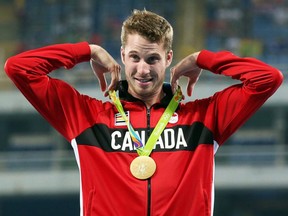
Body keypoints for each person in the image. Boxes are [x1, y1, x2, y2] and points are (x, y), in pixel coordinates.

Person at [4, 9, 283, 216]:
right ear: (123, 55)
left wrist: (204, 59)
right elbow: (19, 68)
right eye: (135, 57)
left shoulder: (203, 118)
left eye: (153, 59)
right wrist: (86, 51)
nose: (143, 70)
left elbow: (268, 79)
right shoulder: (87, 117)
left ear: (169, 58)